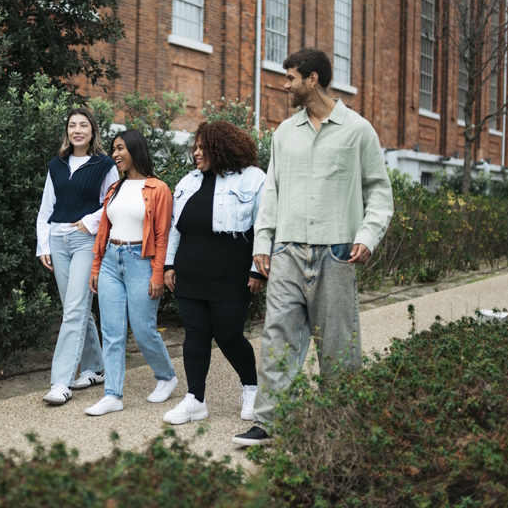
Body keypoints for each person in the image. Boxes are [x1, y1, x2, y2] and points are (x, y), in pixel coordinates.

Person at [232, 48, 394, 446]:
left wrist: (367, 236)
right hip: (286, 251)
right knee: (277, 336)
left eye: (290, 78)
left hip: (336, 253)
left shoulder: (358, 130)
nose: (284, 85)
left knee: (338, 344)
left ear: (313, 79)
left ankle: (342, 424)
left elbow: (379, 193)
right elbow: (272, 191)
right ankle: (270, 422)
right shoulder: (285, 133)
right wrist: (263, 241)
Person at [161, 121, 267, 425]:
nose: (196, 153)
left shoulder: (253, 178)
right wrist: (169, 264)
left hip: (231, 271)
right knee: (195, 335)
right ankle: (195, 400)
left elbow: (264, 226)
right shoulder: (188, 181)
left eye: (202, 147)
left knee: (229, 335)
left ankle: (252, 389)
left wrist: (258, 270)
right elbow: (176, 228)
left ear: (222, 147)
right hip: (190, 269)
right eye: (195, 147)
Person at [84, 130, 178, 416]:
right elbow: (104, 230)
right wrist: (97, 266)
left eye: (120, 148)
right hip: (111, 260)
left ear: (136, 150)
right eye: (113, 149)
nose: (115, 154)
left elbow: (162, 236)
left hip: (141, 262)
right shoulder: (115, 189)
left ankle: (166, 376)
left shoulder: (158, 189)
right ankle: (112, 395)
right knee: (111, 332)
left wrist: (158, 274)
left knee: (143, 329)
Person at [36, 108, 119, 405]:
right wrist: (43, 246)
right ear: (67, 131)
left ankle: (61, 382)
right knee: (76, 308)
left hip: (86, 241)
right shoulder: (57, 164)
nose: (78, 130)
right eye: (72, 125)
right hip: (57, 242)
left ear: (92, 130)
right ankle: (96, 368)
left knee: (73, 310)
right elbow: (47, 207)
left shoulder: (104, 164)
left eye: (83, 125)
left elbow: (113, 202)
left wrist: (90, 221)